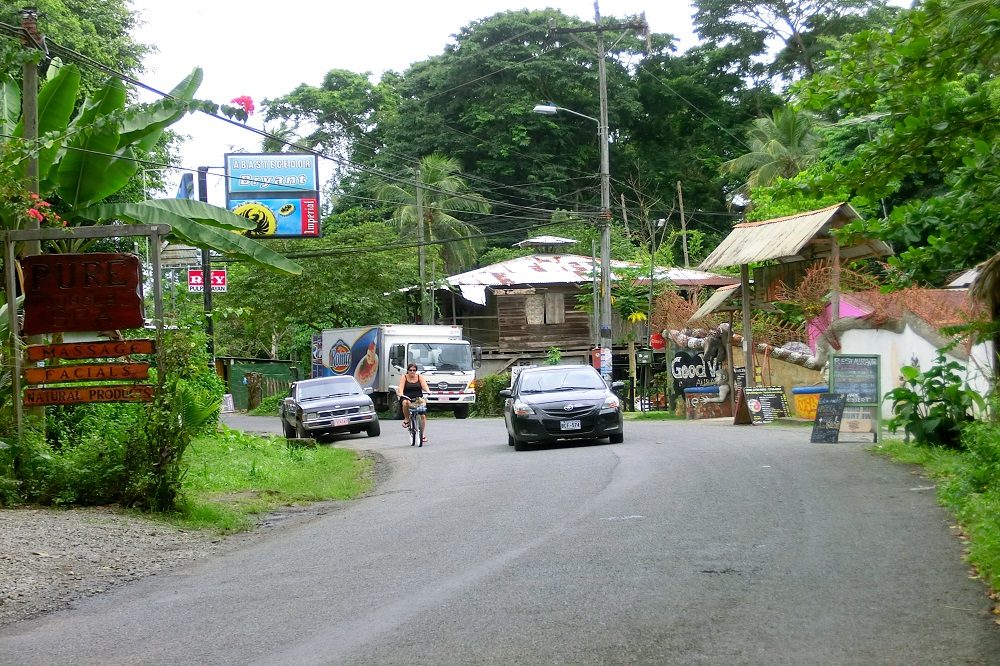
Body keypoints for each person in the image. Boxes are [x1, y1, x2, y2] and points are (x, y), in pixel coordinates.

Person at [398, 363, 430, 443]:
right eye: (410, 370)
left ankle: (422, 434)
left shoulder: (419, 377)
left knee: (422, 415)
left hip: (418, 398)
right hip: (407, 397)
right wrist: (401, 394)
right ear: (407, 371)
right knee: (405, 403)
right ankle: (406, 419)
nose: (412, 372)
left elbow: (424, 386)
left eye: (414, 370)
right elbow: (401, 387)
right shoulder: (404, 377)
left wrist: (428, 391)